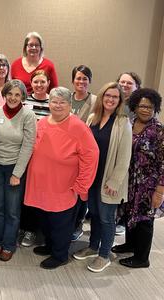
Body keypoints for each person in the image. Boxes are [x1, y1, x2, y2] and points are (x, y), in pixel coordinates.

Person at [24, 87, 99, 269]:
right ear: (49, 103)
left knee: (60, 223)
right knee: (45, 219)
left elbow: (91, 156)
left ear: (70, 105)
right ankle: (50, 246)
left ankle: (60, 255)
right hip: (40, 185)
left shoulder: (78, 127)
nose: (57, 105)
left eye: (62, 102)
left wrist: (82, 185)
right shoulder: (42, 123)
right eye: (54, 102)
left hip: (63, 187)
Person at [73, 82, 132, 273]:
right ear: (101, 97)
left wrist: (115, 181)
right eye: (108, 95)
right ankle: (93, 247)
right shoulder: (92, 118)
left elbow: (124, 156)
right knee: (95, 215)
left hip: (109, 179)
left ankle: (104, 255)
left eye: (115, 97)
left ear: (119, 100)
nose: (110, 99)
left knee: (107, 218)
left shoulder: (123, 122)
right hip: (93, 177)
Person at [112, 88, 164, 268]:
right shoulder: (129, 123)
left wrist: (159, 191)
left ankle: (142, 258)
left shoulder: (159, 131)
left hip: (148, 185)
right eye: (142, 106)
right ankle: (130, 245)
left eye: (150, 107)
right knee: (130, 215)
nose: (145, 110)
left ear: (155, 108)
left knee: (144, 220)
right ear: (134, 106)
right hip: (130, 181)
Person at [0, 80, 36, 261]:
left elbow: (28, 145)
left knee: (12, 210)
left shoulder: (28, 115)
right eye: (10, 94)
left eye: (17, 94)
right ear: (4, 94)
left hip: (15, 168)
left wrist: (17, 173)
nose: (13, 98)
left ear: (23, 96)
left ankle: (9, 244)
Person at [19, 69, 51, 248]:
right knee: (24, 194)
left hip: (45, 157)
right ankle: (25, 227)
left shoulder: (53, 104)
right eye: (36, 82)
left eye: (42, 82)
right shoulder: (25, 103)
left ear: (48, 83)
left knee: (39, 194)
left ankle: (35, 230)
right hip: (26, 155)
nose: (39, 85)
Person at [70, 65, 97, 241]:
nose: (81, 81)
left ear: (89, 81)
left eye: (85, 78)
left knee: (82, 190)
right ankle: (68, 221)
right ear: (73, 80)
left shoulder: (96, 101)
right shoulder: (66, 98)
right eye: (78, 78)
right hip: (66, 151)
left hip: (85, 151)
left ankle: (78, 222)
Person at [115, 71, 142, 235]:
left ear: (137, 87)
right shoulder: (115, 100)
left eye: (129, 83)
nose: (124, 85)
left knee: (129, 188)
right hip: (116, 149)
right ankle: (116, 216)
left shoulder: (140, 105)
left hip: (134, 152)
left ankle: (123, 221)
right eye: (122, 82)